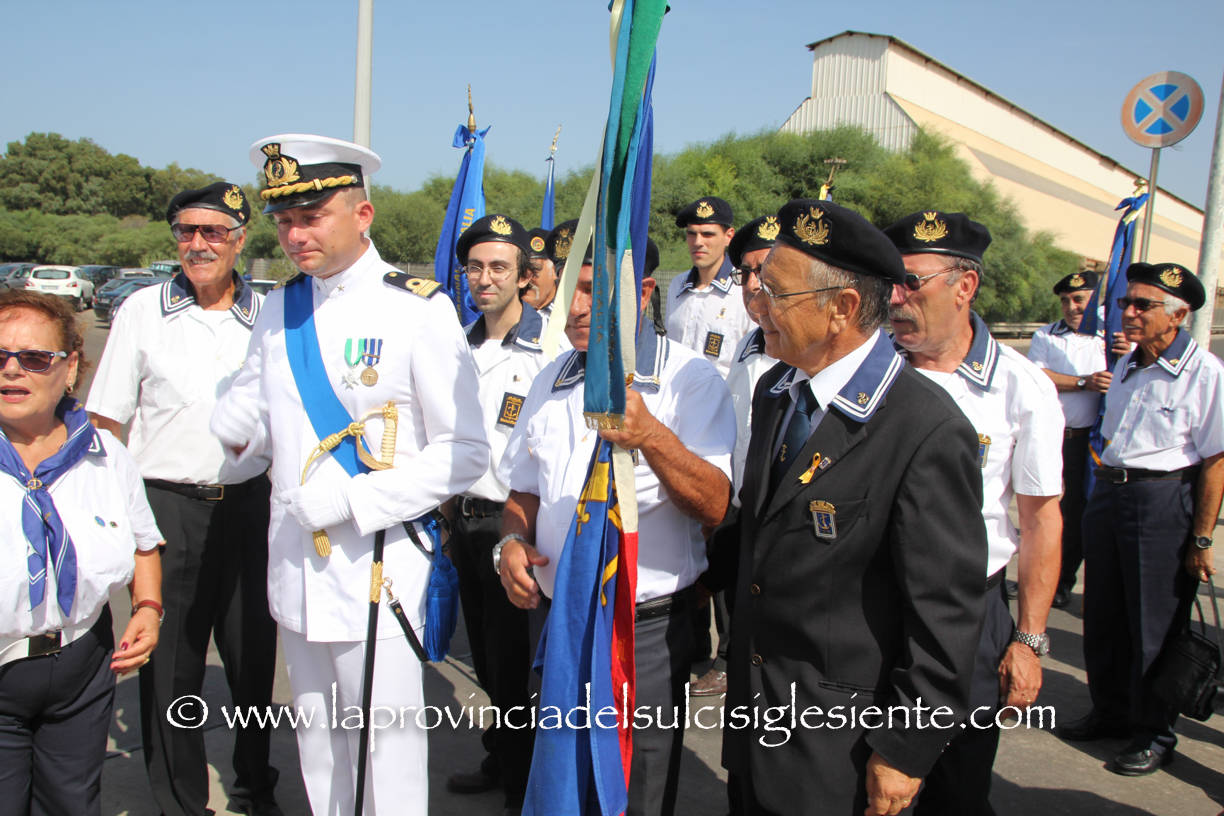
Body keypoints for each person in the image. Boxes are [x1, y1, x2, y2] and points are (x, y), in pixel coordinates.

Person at [210, 134, 489, 816]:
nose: (294, 235)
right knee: (320, 746)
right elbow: (260, 425)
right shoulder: (279, 308)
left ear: (362, 215)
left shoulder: (417, 308)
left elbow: (465, 451)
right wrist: (236, 430)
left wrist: (356, 499)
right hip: (295, 563)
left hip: (376, 566)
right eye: (283, 220)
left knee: (383, 757)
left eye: (311, 217)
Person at [717, 199, 989, 816]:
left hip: (840, 747)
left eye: (775, 293)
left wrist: (905, 751)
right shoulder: (777, 391)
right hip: (757, 721)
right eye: (755, 287)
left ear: (841, 308)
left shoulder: (924, 429)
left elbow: (945, 617)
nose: (757, 304)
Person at [496, 249, 736, 816]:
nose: (575, 308)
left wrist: (651, 435)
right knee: (562, 775)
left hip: (641, 629)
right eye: (568, 291)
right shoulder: (552, 377)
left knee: (634, 788)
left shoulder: (689, 380)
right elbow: (524, 491)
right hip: (556, 616)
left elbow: (714, 504)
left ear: (642, 293)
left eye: (592, 291)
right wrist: (509, 543)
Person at [86, 181, 282, 816]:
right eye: (186, 231)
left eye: (214, 232)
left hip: (252, 507)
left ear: (239, 240)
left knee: (253, 659)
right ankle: (180, 803)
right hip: (166, 508)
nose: (198, 244)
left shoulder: (273, 316)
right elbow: (106, 423)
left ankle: (254, 787)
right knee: (171, 666)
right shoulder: (142, 310)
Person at [884, 210, 1063, 815]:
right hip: (869, 606)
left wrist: (1028, 639)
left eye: (912, 282)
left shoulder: (1020, 386)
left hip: (967, 613)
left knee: (956, 787)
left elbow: (1039, 520)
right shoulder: (869, 373)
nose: (895, 297)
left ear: (965, 286)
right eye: (890, 281)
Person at [0, 289, 163, 816]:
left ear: (70, 368)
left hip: (82, 667)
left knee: (72, 804)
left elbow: (144, 544)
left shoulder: (106, 455)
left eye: (33, 358)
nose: (12, 370)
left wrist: (148, 608)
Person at [1060, 262, 1223, 776]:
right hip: (1111, 492)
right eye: (1126, 303)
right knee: (1104, 614)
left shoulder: (1205, 373)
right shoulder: (1128, 365)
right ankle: (1109, 710)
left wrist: (1202, 537)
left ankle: (1153, 732)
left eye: (1142, 305)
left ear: (1178, 315)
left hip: (1162, 499)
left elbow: (1216, 460)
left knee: (1154, 625)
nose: (1128, 313)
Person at [444, 214, 550, 814]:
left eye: (499, 268)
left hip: (516, 525)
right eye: (475, 268)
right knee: (486, 661)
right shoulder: (455, 345)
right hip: (463, 521)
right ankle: (502, 756)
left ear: (525, 277)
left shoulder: (549, 350)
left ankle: (521, 790)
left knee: (514, 669)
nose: (485, 279)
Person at [691, 215, 780, 701]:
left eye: (765, 270)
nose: (752, 283)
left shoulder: (809, 352)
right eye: (746, 272)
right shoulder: (752, 341)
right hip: (741, 501)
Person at [1025, 271, 1110, 608]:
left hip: (1087, 442)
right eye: (1065, 301)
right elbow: (1038, 375)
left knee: (1076, 513)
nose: (1072, 306)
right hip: (1049, 435)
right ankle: (1033, 578)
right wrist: (1082, 382)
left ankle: (1062, 581)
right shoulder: (1047, 335)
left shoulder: (1111, 338)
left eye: (1079, 299)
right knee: (1036, 507)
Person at [665, 197, 753, 379]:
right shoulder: (676, 287)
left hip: (725, 396)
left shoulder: (744, 289)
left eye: (708, 234)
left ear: (729, 236)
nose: (698, 242)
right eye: (691, 234)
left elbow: (753, 366)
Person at [522, 226, 560, 319]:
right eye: (521, 270)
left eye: (534, 269)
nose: (526, 278)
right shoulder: (504, 312)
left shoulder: (570, 312)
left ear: (554, 271)